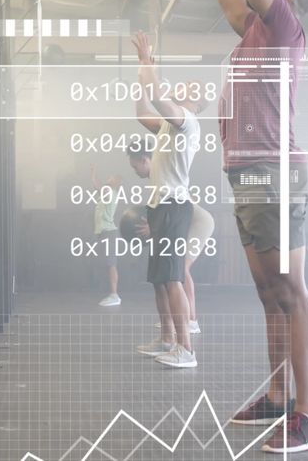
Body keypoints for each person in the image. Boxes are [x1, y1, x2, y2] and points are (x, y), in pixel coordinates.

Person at [173, 0, 308, 453]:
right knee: (268, 293)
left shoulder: (284, 27)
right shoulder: (251, 33)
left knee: (291, 289)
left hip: (275, 171)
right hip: (246, 172)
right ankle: (277, 396)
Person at [128, 31, 208, 369]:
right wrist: (143, 76)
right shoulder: (167, 125)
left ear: (195, 101)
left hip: (175, 207)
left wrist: (147, 64)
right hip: (160, 207)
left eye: (187, 87)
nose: (181, 86)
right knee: (161, 278)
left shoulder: (186, 122)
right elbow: (143, 110)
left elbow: (160, 100)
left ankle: (186, 349)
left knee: (173, 277)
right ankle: (166, 339)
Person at [127, 147, 213, 334]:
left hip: (199, 222)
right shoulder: (157, 178)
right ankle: (179, 319)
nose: (135, 172)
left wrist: (155, 226)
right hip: (188, 221)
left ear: (145, 160)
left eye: (135, 167)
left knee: (181, 268)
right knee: (175, 271)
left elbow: (182, 204)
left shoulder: (162, 175)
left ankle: (191, 320)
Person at [91, 165, 123, 306]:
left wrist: (93, 173)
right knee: (109, 263)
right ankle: (113, 294)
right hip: (105, 232)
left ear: (115, 181)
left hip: (109, 232)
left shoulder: (109, 190)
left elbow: (98, 186)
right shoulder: (109, 192)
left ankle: (114, 295)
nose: (108, 178)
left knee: (111, 263)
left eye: (111, 177)